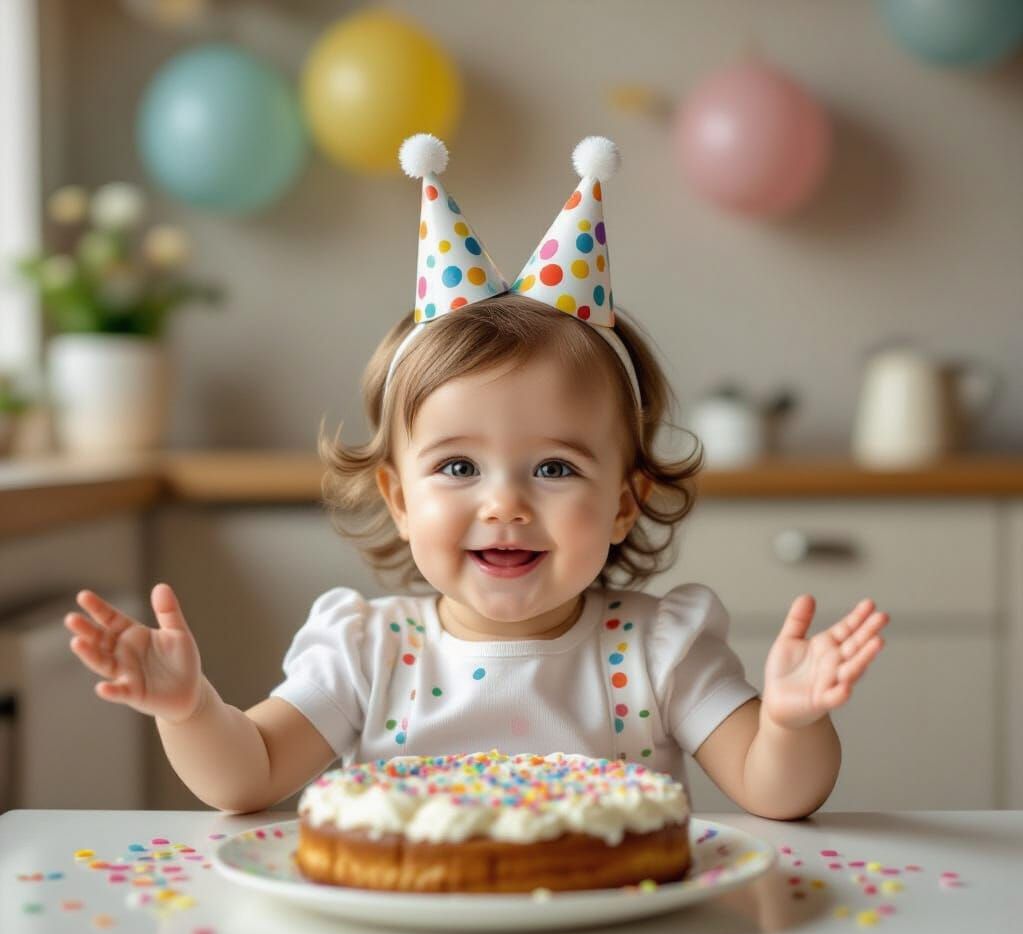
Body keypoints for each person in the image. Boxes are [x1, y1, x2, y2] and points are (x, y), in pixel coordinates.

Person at [65, 135, 888, 818]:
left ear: (623, 505)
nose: (505, 503)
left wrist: (789, 724)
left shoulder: (657, 652)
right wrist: (190, 709)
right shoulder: (368, 653)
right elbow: (244, 778)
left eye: (556, 468)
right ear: (397, 496)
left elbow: (780, 796)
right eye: (458, 466)